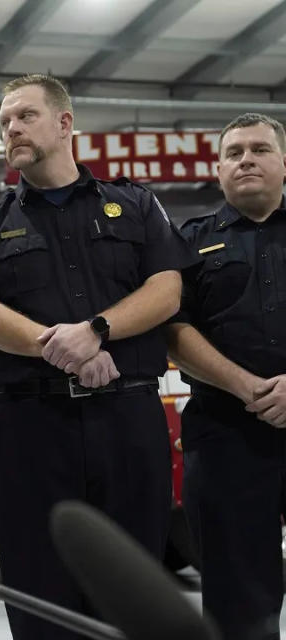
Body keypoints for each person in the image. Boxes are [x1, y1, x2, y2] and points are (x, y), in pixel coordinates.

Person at [0, 73, 195, 640]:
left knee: (133, 589)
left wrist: (98, 331)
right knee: (39, 596)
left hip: (127, 421)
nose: (11, 128)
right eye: (4, 121)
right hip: (31, 429)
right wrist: (60, 347)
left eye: (24, 116)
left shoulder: (134, 205)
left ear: (64, 124)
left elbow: (167, 289)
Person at [166, 113, 286, 640]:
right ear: (218, 169)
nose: (246, 160)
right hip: (224, 435)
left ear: (284, 163)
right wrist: (246, 387)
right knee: (238, 597)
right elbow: (172, 329)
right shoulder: (187, 243)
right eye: (234, 152)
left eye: (259, 149)